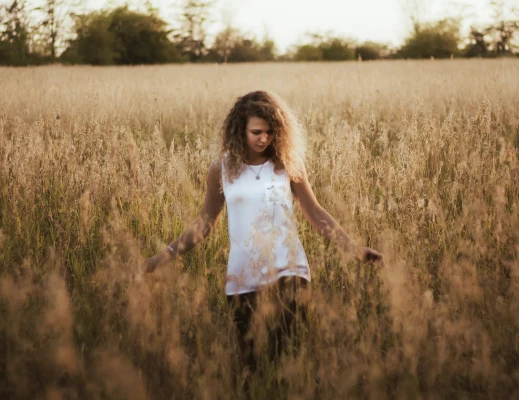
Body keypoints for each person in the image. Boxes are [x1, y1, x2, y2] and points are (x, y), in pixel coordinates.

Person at [146, 90, 383, 370]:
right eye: (256, 132)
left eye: (271, 132)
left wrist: (355, 249)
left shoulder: (287, 166)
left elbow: (316, 214)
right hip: (242, 275)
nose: (264, 139)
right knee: (253, 365)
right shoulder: (221, 170)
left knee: (286, 357)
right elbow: (205, 223)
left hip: (289, 269)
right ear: (239, 130)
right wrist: (164, 256)